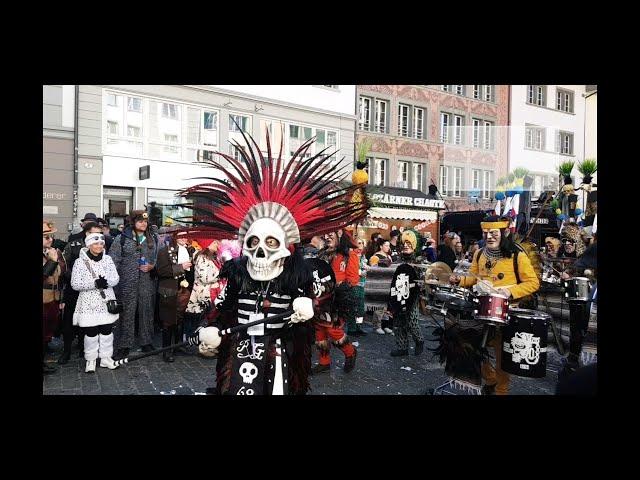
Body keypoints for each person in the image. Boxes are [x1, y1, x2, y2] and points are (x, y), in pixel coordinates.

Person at [185, 128, 368, 394]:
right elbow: (222, 307)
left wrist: (306, 311)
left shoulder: (295, 276)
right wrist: (210, 328)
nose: (260, 254)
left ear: (286, 247)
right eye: (254, 243)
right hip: (241, 350)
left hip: (280, 352)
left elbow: (307, 314)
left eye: (271, 243)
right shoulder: (238, 273)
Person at [449, 215, 540, 395]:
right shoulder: (479, 253)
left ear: (503, 233)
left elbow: (533, 283)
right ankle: (490, 380)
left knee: (502, 356)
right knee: (469, 346)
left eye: (493, 233)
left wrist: (509, 292)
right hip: (481, 308)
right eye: (485, 233)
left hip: (506, 312)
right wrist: (459, 280)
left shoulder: (517, 255)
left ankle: (501, 390)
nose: (489, 236)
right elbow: (473, 278)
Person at [109, 210, 159, 359]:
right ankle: (124, 344)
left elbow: (157, 259)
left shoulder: (153, 238)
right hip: (126, 283)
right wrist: (114, 282)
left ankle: (146, 342)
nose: (143, 223)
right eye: (140, 221)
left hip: (147, 282)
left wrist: (152, 266)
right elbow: (113, 261)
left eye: (145, 221)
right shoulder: (122, 238)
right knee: (127, 314)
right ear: (133, 222)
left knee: (146, 312)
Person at [70, 232, 120, 373]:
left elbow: (116, 278)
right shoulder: (80, 262)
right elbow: (75, 284)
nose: (99, 246)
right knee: (91, 332)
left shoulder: (108, 259)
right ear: (89, 245)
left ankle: (105, 358)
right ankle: (90, 359)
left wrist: (106, 282)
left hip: (106, 301)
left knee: (107, 330)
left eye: (101, 243)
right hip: (88, 303)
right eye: (95, 243)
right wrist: (94, 283)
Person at [57, 221, 104, 364]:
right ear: (87, 233)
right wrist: (77, 277)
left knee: (88, 320)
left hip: (92, 291)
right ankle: (66, 351)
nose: (98, 237)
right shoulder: (74, 245)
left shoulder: (100, 246)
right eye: (94, 233)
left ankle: (85, 349)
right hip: (74, 289)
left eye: (99, 234)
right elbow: (64, 266)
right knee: (69, 321)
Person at [314, 229, 360, 373]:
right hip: (319, 298)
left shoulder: (349, 255)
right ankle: (324, 362)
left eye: (330, 234)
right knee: (319, 331)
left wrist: (338, 290)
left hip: (336, 300)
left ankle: (350, 352)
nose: (327, 237)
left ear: (339, 234)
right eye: (325, 235)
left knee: (333, 330)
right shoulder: (322, 253)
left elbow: (352, 280)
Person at [155, 230, 195, 362]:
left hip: (184, 289)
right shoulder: (164, 251)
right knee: (168, 321)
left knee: (180, 320)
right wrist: (180, 267)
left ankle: (177, 346)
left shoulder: (189, 250)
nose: (184, 239)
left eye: (186, 236)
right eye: (181, 236)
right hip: (169, 290)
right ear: (175, 237)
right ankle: (166, 350)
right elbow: (161, 271)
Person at [388, 229, 424, 356]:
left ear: (413, 246)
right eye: (404, 244)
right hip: (398, 293)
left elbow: (425, 276)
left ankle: (419, 340)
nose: (406, 246)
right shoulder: (397, 260)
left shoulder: (419, 260)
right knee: (398, 322)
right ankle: (402, 348)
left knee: (412, 321)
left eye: (409, 244)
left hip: (412, 296)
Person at [43, 220, 66, 374]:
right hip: (43, 297)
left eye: (51, 236)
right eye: (46, 237)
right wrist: (52, 260)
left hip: (54, 297)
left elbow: (61, 276)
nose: (50, 239)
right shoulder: (50, 255)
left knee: (48, 330)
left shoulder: (53, 251)